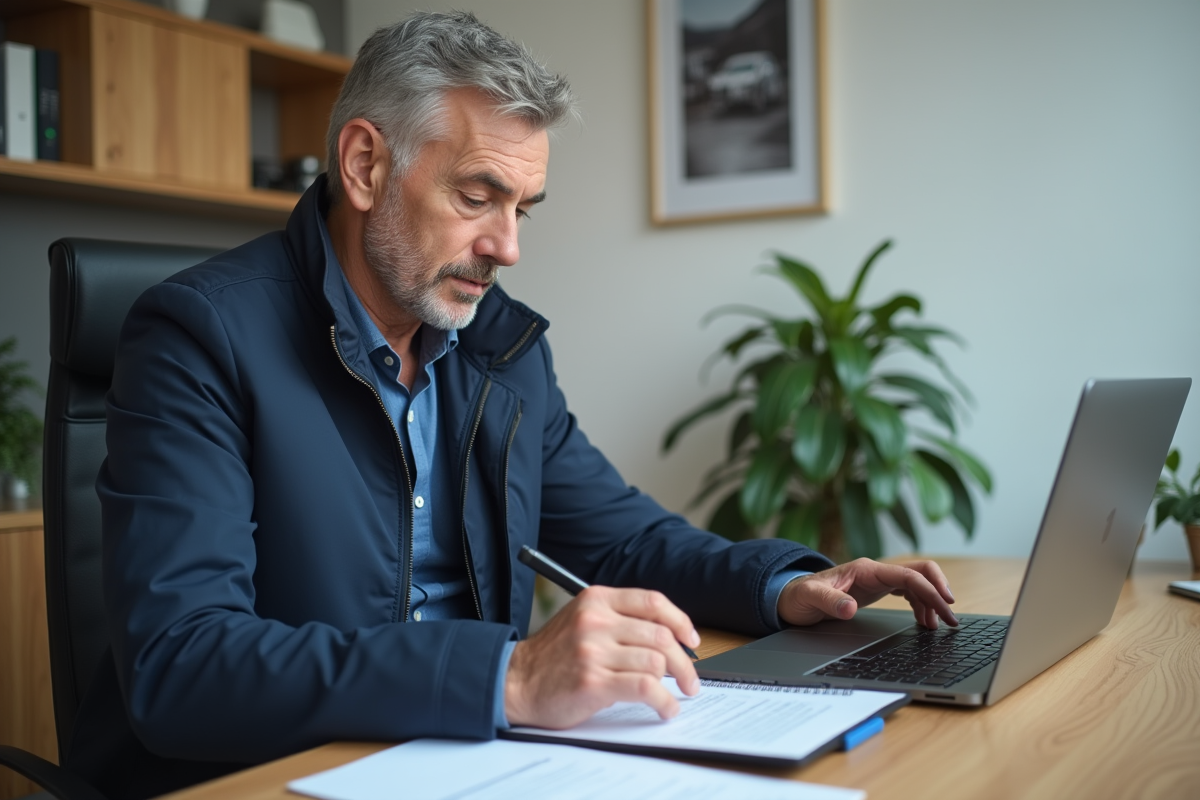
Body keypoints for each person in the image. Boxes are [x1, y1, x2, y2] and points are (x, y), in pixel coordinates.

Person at [67, 12, 957, 798]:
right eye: (476, 196)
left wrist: (786, 584)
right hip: (285, 775)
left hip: (478, 759)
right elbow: (182, 666)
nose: (508, 246)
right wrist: (509, 675)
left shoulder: (498, 349)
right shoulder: (198, 336)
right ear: (367, 164)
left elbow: (621, 539)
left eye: (525, 207)